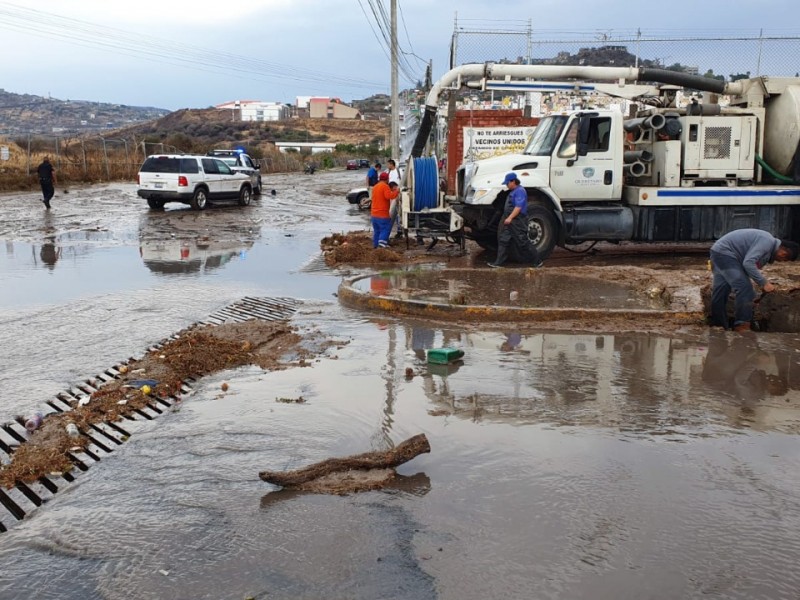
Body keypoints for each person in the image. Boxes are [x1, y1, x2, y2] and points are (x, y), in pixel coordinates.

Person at [709, 228, 799, 331]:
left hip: (719, 252)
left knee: (721, 290)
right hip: (726, 254)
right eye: (785, 256)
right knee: (745, 288)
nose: (782, 259)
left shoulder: (767, 250)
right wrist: (763, 283)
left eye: (785, 260)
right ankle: (742, 326)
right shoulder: (767, 241)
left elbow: (748, 269)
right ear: (782, 247)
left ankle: (718, 325)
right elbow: (748, 263)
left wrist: (751, 299)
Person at [488, 172, 542, 268]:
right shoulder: (513, 191)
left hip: (518, 220)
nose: (506, 185)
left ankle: (537, 261)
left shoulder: (520, 191)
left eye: (507, 183)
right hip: (511, 221)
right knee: (503, 240)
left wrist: (510, 218)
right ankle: (498, 262)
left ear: (513, 181)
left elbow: (518, 207)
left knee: (522, 241)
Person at [370, 171, 400, 248]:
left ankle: (376, 245)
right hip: (382, 214)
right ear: (387, 179)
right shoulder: (384, 186)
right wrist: (397, 191)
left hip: (374, 214)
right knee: (385, 229)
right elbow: (389, 196)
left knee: (377, 231)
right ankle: (382, 245)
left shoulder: (375, 187)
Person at [386, 159, 403, 237]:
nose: (387, 166)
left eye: (388, 164)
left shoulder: (399, 171)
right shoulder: (388, 172)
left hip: (398, 194)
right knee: (393, 213)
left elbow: (403, 182)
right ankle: (395, 229)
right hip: (391, 195)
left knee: (398, 212)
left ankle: (399, 230)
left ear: (391, 164)